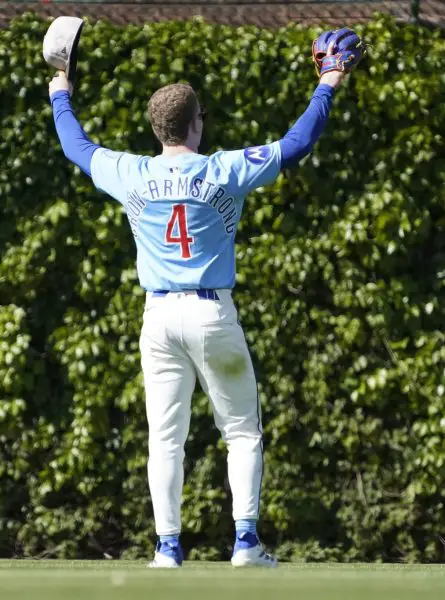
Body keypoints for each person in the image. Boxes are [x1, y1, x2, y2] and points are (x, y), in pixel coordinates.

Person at [48, 31, 359, 568]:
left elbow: (76, 147)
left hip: (159, 316)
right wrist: (328, 83)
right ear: (196, 122)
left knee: (165, 439)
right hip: (213, 312)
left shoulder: (131, 172)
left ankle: (167, 550)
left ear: (156, 127)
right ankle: (244, 544)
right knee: (241, 431)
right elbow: (296, 143)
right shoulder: (223, 168)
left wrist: (60, 91)